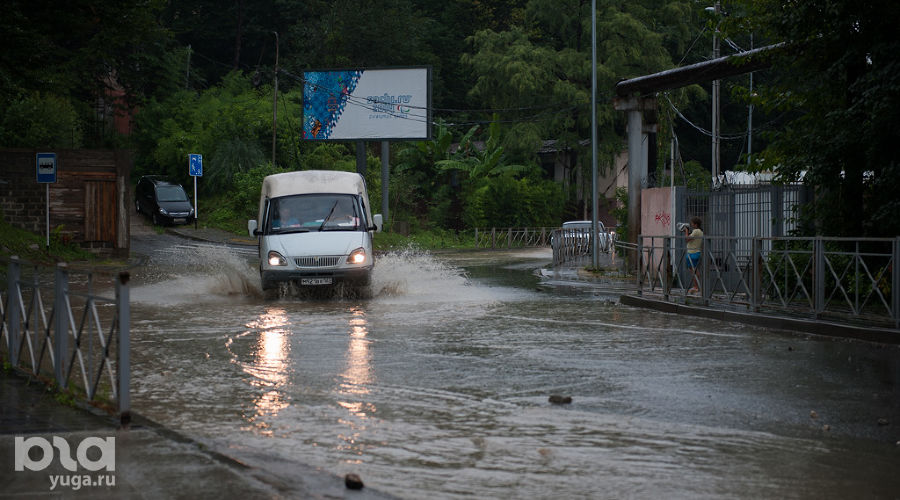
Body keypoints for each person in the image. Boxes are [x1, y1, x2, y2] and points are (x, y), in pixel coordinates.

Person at [684, 216, 703, 293]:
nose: (691, 225)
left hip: (692, 253)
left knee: (694, 271)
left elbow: (687, 239)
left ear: (695, 224)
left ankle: (696, 287)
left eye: (692, 223)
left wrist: (686, 231)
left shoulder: (696, 231)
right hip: (695, 252)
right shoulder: (700, 232)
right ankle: (696, 286)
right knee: (694, 270)